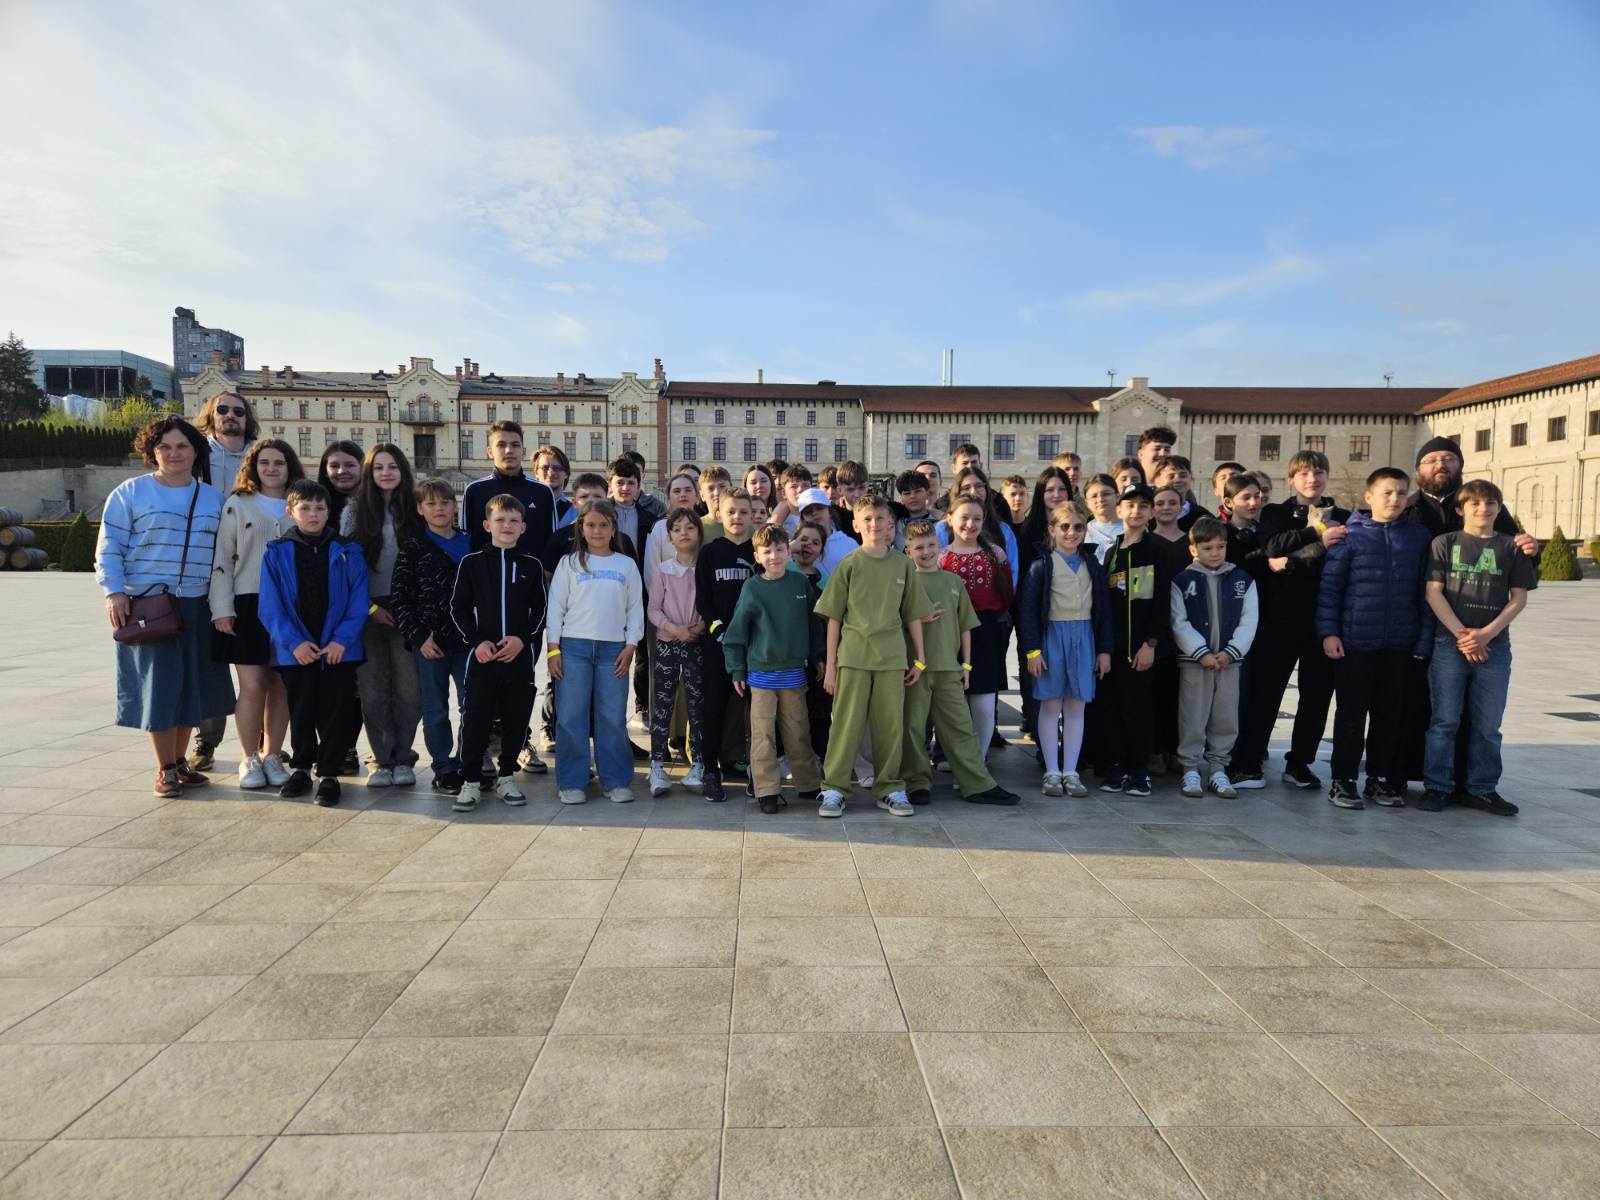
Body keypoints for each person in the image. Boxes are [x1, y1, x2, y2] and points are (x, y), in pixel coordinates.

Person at [97, 416, 234, 798]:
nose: (174, 454)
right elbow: (109, 546)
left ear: (195, 452)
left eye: (182, 446)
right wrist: (114, 592)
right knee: (159, 688)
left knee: (192, 686)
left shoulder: (212, 498)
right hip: (149, 605)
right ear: (151, 452)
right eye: (164, 447)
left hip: (198, 604)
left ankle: (179, 761)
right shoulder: (131, 492)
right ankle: (165, 768)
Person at [1398, 435, 1538, 792]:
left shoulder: (1487, 507)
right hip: (1419, 622)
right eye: (1432, 460)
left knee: (1479, 717)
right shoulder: (1406, 506)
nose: (1440, 465)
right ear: (1418, 469)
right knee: (1419, 707)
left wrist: (1531, 548)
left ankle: (1470, 784)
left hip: (1478, 630)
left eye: (1448, 459)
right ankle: (1411, 779)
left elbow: (1514, 560)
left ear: (1460, 466)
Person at [1228, 450, 1350, 790]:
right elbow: (1273, 547)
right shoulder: (1275, 513)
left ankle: (1299, 763)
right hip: (1279, 618)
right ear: (1292, 480)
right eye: (1305, 473)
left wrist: (1291, 560)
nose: (1313, 479)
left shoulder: (1343, 516)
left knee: (1316, 696)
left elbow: (1336, 561)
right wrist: (1318, 536)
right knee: (1266, 693)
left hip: (1322, 619)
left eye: (1319, 472)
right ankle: (1249, 762)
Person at [1317, 467, 1434, 809]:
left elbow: (1426, 593)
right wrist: (1329, 632)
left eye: (1401, 493)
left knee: (1390, 715)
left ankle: (1380, 778)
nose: (1395, 499)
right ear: (1369, 497)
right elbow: (1330, 589)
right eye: (1387, 492)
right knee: (1351, 715)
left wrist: (1423, 639)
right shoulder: (1349, 535)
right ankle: (1343, 780)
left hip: (1399, 644)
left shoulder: (1418, 538)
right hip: (1355, 643)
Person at [1420, 478, 1535, 816]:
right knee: (1444, 720)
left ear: (1499, 509)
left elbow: (1519, 598)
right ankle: (1437, 786)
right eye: (1474, 503)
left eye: (1490, 503)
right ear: (1460, 509)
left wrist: (1485, 634)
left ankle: (1482, 788)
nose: (1483, 509)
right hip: (1448, 643)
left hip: (1494, 646)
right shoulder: (1444, 543)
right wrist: (1463, 636)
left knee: (1488, 724)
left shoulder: (1511, 547)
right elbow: (1433, 592)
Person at [814, 495, 932, 817]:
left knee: (890, 726)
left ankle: (890, 787)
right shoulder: (849, 565)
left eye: (880, 518)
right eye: (867, 519)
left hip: (892, 659)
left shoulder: (903, 565)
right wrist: (831, 667)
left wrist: (920, 658)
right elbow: (834, 618)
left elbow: (913, 615)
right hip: (853, 657)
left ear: (891, 525)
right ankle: (834, 788)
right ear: (855, 525)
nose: (874, 524)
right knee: (846, 725)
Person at [257, 479, 367, 807]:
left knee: (336, 711)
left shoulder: (348, 550)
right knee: (301, 710)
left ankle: (330, 773)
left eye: (320, 508)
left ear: (329, 512)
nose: (313, 514)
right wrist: (294, 643)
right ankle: (302, 768)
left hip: (338, 650)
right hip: (297, 651)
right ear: (291, 512)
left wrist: (342, 641)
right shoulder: (277, 552)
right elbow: (270, 606)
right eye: (305, 508)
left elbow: (358, 601)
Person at [900, 519, 1017, 807]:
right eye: (919, 548)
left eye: (931, 545)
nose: (926, 552)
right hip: (915, 671)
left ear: (939, 547)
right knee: (913, 728)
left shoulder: (953, 582)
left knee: (961, 727)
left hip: (949, 668)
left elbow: (966, 625)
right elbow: (894, 621)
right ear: (908, 551)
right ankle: (917, 782)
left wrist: (966, 665)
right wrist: (916, 618)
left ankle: (977, 783)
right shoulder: (905, 583)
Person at [209, 438, 303, 790]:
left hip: (291, 607)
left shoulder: (301, 503)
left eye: (279, 462)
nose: (272, 469)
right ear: (253, 466)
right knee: (252, 685)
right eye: (265, 462)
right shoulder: (238, 504)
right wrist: (222, 609)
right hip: (248, 602)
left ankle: (273, 754)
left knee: (281, 685)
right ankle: (249, 757)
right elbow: (222, 558)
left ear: (289, 466)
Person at [449, 493, 548, 813]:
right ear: (486, 525)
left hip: (518, 659)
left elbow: (541, 611)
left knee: (516, 719)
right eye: (500, 520)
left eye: (514, 520)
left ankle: (506, 776)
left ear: (523, 527)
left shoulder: (532, 565)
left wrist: (522, 639)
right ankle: (470, 780)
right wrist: (476, 641)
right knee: (475, 719)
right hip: (483, 659)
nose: (507, 525)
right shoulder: (472, 563)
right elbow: (458, 609)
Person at [547, 498, 644, 806]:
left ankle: (615, 780)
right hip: (573, 648)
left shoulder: (626, 565)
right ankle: (572, 781)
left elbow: (635, 608)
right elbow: (555, 607)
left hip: (613, 650)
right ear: (581, 528)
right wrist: (553, 650)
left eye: (604, 525)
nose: (597, 531)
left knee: (612, 716)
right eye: (591, 525)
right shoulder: (569, 563)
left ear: (613, 528)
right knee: (570, 716)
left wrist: (631, 645)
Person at [722, 524, 826, 813]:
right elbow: (736, 632)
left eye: (780, 549)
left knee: (798, 730)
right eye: (767, 551)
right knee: (763, 735)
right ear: (757, 556)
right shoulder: (752, 587)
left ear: (788, 552)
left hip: (794, 674)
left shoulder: (800, 584)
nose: (774, 556)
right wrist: (737, 669)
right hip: (761, 676)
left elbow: (814, 624)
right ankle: (766, 790)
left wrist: (818, 656)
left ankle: (808, 783)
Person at [341, 443, 423, 787]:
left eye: (392, 467)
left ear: (402, 470)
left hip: (408, 608)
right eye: (379, 467)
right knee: (373, 690)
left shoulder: (416, 508)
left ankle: (403, 757)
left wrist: (411, 607)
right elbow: (345, 567)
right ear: (369, 473)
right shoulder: (355, 511)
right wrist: (370, 607)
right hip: (368, 608)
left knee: (409, 691)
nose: (386, 473)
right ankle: (381, 759)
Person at [1017, 503, 1111, 798]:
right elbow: (1027, 611)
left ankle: (1070, 770)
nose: (1072, 532)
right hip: (1052, 639)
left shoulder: (1092, 565)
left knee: (1076, 706)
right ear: (1052, 530)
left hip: (1084, 637)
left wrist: (1104, 649)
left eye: (1078, 527)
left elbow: (1104, 610)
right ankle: (1052, 770)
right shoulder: (1041, 566)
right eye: (1065, 527)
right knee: (1051, 705)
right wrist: (1033, 651)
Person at [187, 391, 259, 771]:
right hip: (205, 568)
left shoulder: (261, 456)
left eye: (238, 411)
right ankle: (207, 740)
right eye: (223, 410)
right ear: (210, 416)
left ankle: (263, 743)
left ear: (248, 418)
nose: (231, 415)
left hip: (251, 571)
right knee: (208, 664)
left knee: (260, 667)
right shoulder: (196, 456)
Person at [391, 479, 473, 797]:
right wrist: (419, 637)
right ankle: (443, 766)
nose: (439, 508)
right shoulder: (413, 547)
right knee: (435, 708)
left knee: (472, 704)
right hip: (430, 644)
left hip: (468, 642)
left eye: (445, 502)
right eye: (431, 503)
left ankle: (468, 760)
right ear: (419, 509)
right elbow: (400, 597)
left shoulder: (472, 543)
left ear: (455, 506)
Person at [1171, 517, 1258, 799]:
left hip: (1229, 663)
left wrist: (1232, 651)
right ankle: (1190, 768)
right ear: (1193, 549)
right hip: (1195, 663)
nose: (1215, 553)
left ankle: (1219, 768)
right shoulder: (1182, 581)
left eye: (1220, 546)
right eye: (1207, 548)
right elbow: (1179, 621)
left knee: (1225, 715)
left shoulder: (1242, 580)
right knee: (1193, 715)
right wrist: (1201, 652)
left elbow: (1249, 620)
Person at [1098, 485, 1176, 796]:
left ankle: (1139, 770)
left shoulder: (1158, 551)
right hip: (1113, 648)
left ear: (1151, 512)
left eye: (1143, 506)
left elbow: (1162, 601)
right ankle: (1116, 766)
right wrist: (1103, 647)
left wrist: (1151, 643)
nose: (1136, 511)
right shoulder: (1112, 552)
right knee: (1113, 708)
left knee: (1139, 709)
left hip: (1142, 648)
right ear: (1119, 510)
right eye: (1130, 505)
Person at [940, 494, 1014, 765]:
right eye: (964, 517)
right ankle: (956, 760)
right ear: (950, 519)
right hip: (949, 634)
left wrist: (987, 617)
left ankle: (978, 761)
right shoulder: (941, 557)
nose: (970, 524)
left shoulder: (996, 554)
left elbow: (1006, 594)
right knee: (954, 703)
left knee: (983, 704)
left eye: (977, 518)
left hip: (986, 633)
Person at [694, 488, 758, 801]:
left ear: (752, 516)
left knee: (755, 712)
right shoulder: (709, 552)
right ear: (719, 514)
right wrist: (716, 629)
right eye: (731, 511)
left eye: (743, 512)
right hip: (717, 644)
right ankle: (710, 770)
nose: (737, 517)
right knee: (714, 708)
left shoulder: (758, 551)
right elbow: (702, 598)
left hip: (753, 645)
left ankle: (758, 773)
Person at [647, 506, 708, 796]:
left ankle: (698, 765)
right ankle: (657, 766)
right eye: (677, 529)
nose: (684, 533)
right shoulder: (663, 571)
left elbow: (710, 605)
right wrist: (674, 629)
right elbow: (653, 609)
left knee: (697, 704)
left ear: (699, 533)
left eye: (690, 527)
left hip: (697, 644)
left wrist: (699, 627)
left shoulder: (704, 570)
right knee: (663, 703)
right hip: (667, 643)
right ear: (669, 536)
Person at [609, 456, 661, 746]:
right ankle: (611, 714)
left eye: (631, 483)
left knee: (643, 653)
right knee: (613, 655)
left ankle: (643, 707)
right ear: (611, 484)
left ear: (640, 485)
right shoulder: (601, 515)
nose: (626, 488)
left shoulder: (650, 518)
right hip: (609, 593)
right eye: (620, 483)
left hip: (640, 590)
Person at [463, 421, 557, 559]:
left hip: (531, 572)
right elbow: (466, 539)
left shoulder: (542, 492)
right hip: (485, 572)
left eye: (515, 445)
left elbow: (553, 542)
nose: (509, 450)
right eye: (501, 445)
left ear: (523, 452)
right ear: (490, 452)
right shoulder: (474, 491)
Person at [317, 441, 363, 532]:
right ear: (325, 471)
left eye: (350, 465)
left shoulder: (377, 504)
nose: (342, 471)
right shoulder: (313, 506)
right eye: (334, 466)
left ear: (363, 468)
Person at [531, 444, 573, 528]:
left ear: (566, 474)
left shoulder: (574, 512)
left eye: (557, 468)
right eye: (545, 468)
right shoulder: (524, 506)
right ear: (536, 473)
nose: (551, 473)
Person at [1082, 474, 1123, 556]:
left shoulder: (1133, 527)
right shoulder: (1083, 532)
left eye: (1106, 494)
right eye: (1094, 496)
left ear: (1117, 496)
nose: (1100, 499)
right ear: (1086, 503)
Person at [893, 469, 936, 546]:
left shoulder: (938, 524)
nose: (912, 496)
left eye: (918, 491)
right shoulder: (896, 526)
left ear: (927, 494)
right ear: (901, 499)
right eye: (907, 493)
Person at [697, 466, 732, 541]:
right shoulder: (696, 527)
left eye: (722, 486)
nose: (717, 492)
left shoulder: (746, 526)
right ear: (702, 495)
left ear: (731, 490)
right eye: (710, 488)